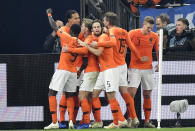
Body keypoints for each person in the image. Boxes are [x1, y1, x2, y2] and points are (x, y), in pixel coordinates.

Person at [90, 12, 147, 128]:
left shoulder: (110, 32)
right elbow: (131, 47)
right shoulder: (124, 31)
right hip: (122, 65)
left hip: (112, 66)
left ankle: (118, 120)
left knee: (110, 94)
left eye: (104, 20)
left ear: (107, 21)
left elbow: (111, 43)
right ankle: (134, 117)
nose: (103, 22)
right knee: (124, 93)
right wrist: (140, 57)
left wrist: (97, 43)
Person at [79, 19, 126, 129]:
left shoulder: (103, 37)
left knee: (110, 95)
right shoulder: (100, 37)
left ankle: (116, 122)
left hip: (110, 70)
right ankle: (117, 120)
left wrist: (86, 45)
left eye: (98, 27)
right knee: (94, 94)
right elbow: (109, 42)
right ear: (92, 29)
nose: (96, 29)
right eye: (94, 27)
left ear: (101, 28)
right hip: (103, 71)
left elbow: (98, 52)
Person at [44, 8, 82, 129]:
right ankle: (71, 120)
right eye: (76, 18)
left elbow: (54, 28)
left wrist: (49, 14)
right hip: (73, 71)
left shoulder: (66, 36)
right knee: (70, 95)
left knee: (52, 92)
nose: (78, 19)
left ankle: (55, 122)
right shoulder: (80, 41)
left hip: (63, 69)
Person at [128, 16, 159, 128]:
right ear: (143, 25)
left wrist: (159, 63)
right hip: (134, 69)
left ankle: (147, 121)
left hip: (148, 69)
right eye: (148, 28)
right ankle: (132, 119)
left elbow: (158, 50)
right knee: (131, 95)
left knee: (147, 95)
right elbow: (124, 46)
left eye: (151, 28)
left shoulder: (154, 36)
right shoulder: (132, 33)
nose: (149, 30)